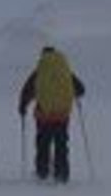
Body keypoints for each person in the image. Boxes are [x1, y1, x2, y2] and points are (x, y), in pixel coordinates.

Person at [18, 46, 86, 184]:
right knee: (61, 144)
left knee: (43, 143)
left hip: (43, 115)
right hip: (62, 115)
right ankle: (62, 174)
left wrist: (22, 106)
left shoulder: (40, 72)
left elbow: (27, 91)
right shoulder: (64, 70)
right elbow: (81, 89)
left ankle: (42, 173)